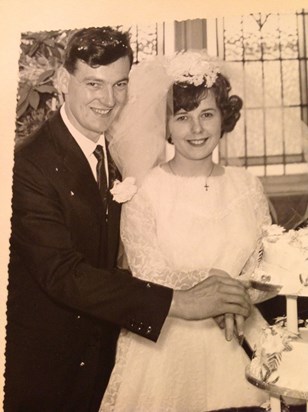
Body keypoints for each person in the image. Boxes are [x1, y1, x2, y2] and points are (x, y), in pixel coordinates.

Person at [4, 30, 251, 412]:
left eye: (119, 84)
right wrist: (181, 301)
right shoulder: (25, 165)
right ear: (62, 81)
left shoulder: (117, 160)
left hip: (102, 361)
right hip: (50, 372)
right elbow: (64, 275)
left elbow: (111, 264)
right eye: (93, 84)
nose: (108, 99)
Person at [100, 51, 272, 411]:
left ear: (224, 116)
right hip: (165, 347)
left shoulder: (247, 185)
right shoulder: (144, 190)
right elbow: (150, 273)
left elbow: (263, 269)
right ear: (166, 127)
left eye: (207, 114)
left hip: (238, 341)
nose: (197, 129)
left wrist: (237, 298)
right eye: (182, 117)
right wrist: (215, 284)